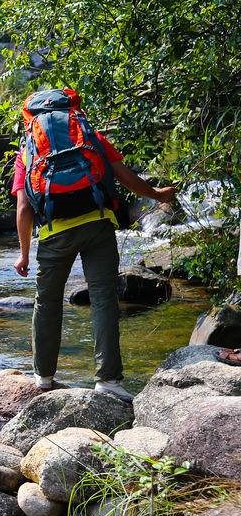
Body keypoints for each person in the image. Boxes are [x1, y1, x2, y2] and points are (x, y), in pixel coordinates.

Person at [12, 90, 176, 401]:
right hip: (97, 223)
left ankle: (44, 377)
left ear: (30, 118)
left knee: (47, 303)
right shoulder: (90, 137)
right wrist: (158, 195)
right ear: (72, 110)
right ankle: (108, 381)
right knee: (103, 299)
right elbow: (127, 178)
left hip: (53, 234)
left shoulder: (28, 150)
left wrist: (23, 254)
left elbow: (23, 207)